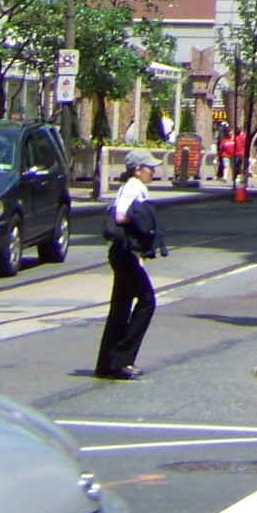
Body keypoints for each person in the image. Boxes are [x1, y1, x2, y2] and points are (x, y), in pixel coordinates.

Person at [95, 156, 167, 381]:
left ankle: (106, 364)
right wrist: (138, 218)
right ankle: (122, 359)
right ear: (137, 170)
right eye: (149, 168)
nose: (153, 171)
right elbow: (120, 215)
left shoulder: (135, 186)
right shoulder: (133, 187)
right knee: (147, 301)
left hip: (123, 252)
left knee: (120, 307)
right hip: (125, 252)